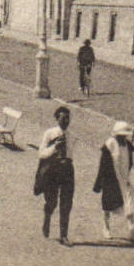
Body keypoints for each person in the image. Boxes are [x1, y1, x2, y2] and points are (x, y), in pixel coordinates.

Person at [91, 120, 134, 241]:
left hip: (124, 178)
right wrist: (100, 182)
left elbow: (130, 162)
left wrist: (127, 176)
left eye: (125, 135)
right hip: (111, 179)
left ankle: (132, 231)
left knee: (130, 204)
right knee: (108, 205)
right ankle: (106, 228)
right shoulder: (110, 144)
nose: (123, 137)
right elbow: (103, 165)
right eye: (121, 135)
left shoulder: (127, 145)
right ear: (116, 134)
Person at [35, 105, 76, 246]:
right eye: (63, 118)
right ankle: (47, 217)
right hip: (53, 169)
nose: (66, 121)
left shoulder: (71, 136)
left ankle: (63, 235)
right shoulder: (50, 133)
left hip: (67, 170)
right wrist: (54, 148)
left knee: (67, 203)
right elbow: (41, 154)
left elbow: (70, 155)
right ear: (57, 118)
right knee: (52, 201)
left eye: (68, 118)